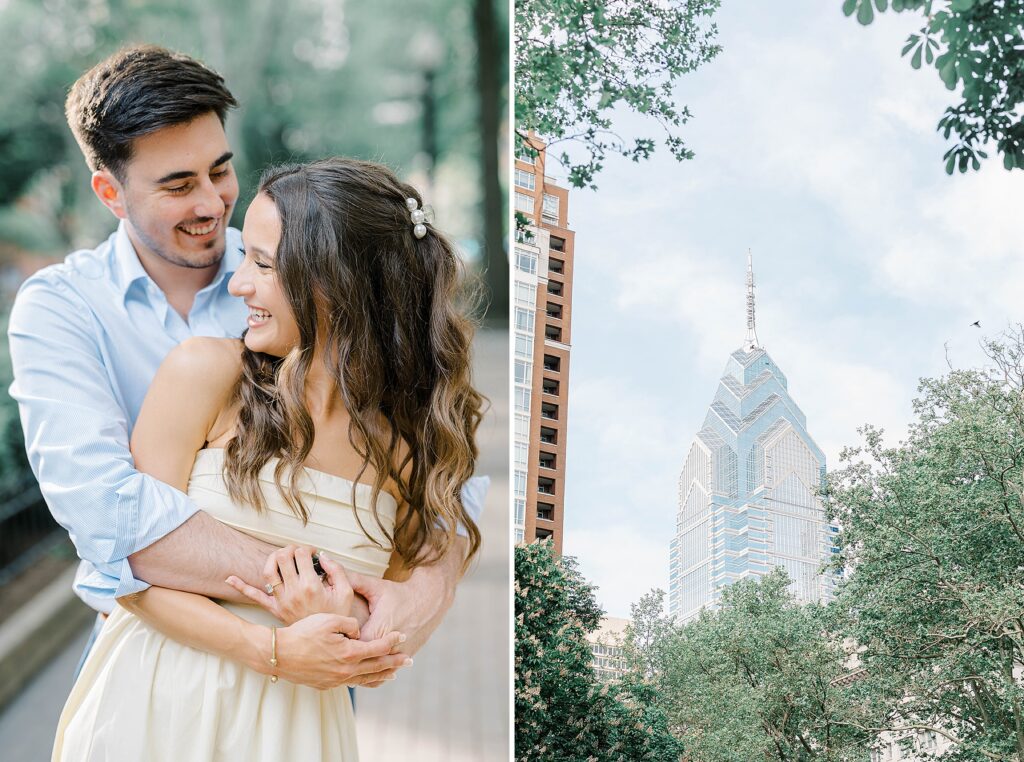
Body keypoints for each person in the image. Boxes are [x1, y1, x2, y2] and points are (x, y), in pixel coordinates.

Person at [7, 45, 484, 690]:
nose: (211, 201)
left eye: (220, 170)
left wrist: (423, 592)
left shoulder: (301, 274)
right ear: (110, 192)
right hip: (158, 656)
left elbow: (432, 467)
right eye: (178, 185)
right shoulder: (63, 308)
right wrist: (320, 594)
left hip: (316, 669)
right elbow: (107, 515)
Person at [50, 156, 483, 760]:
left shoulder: (408, 452)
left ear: (334, 283)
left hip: (300, 731)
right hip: (157, 704)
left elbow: (390, 632)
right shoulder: (206, 375)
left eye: (262, 263)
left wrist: (345, 620)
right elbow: (126, 568)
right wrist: (273, 650)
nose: (238, 283)